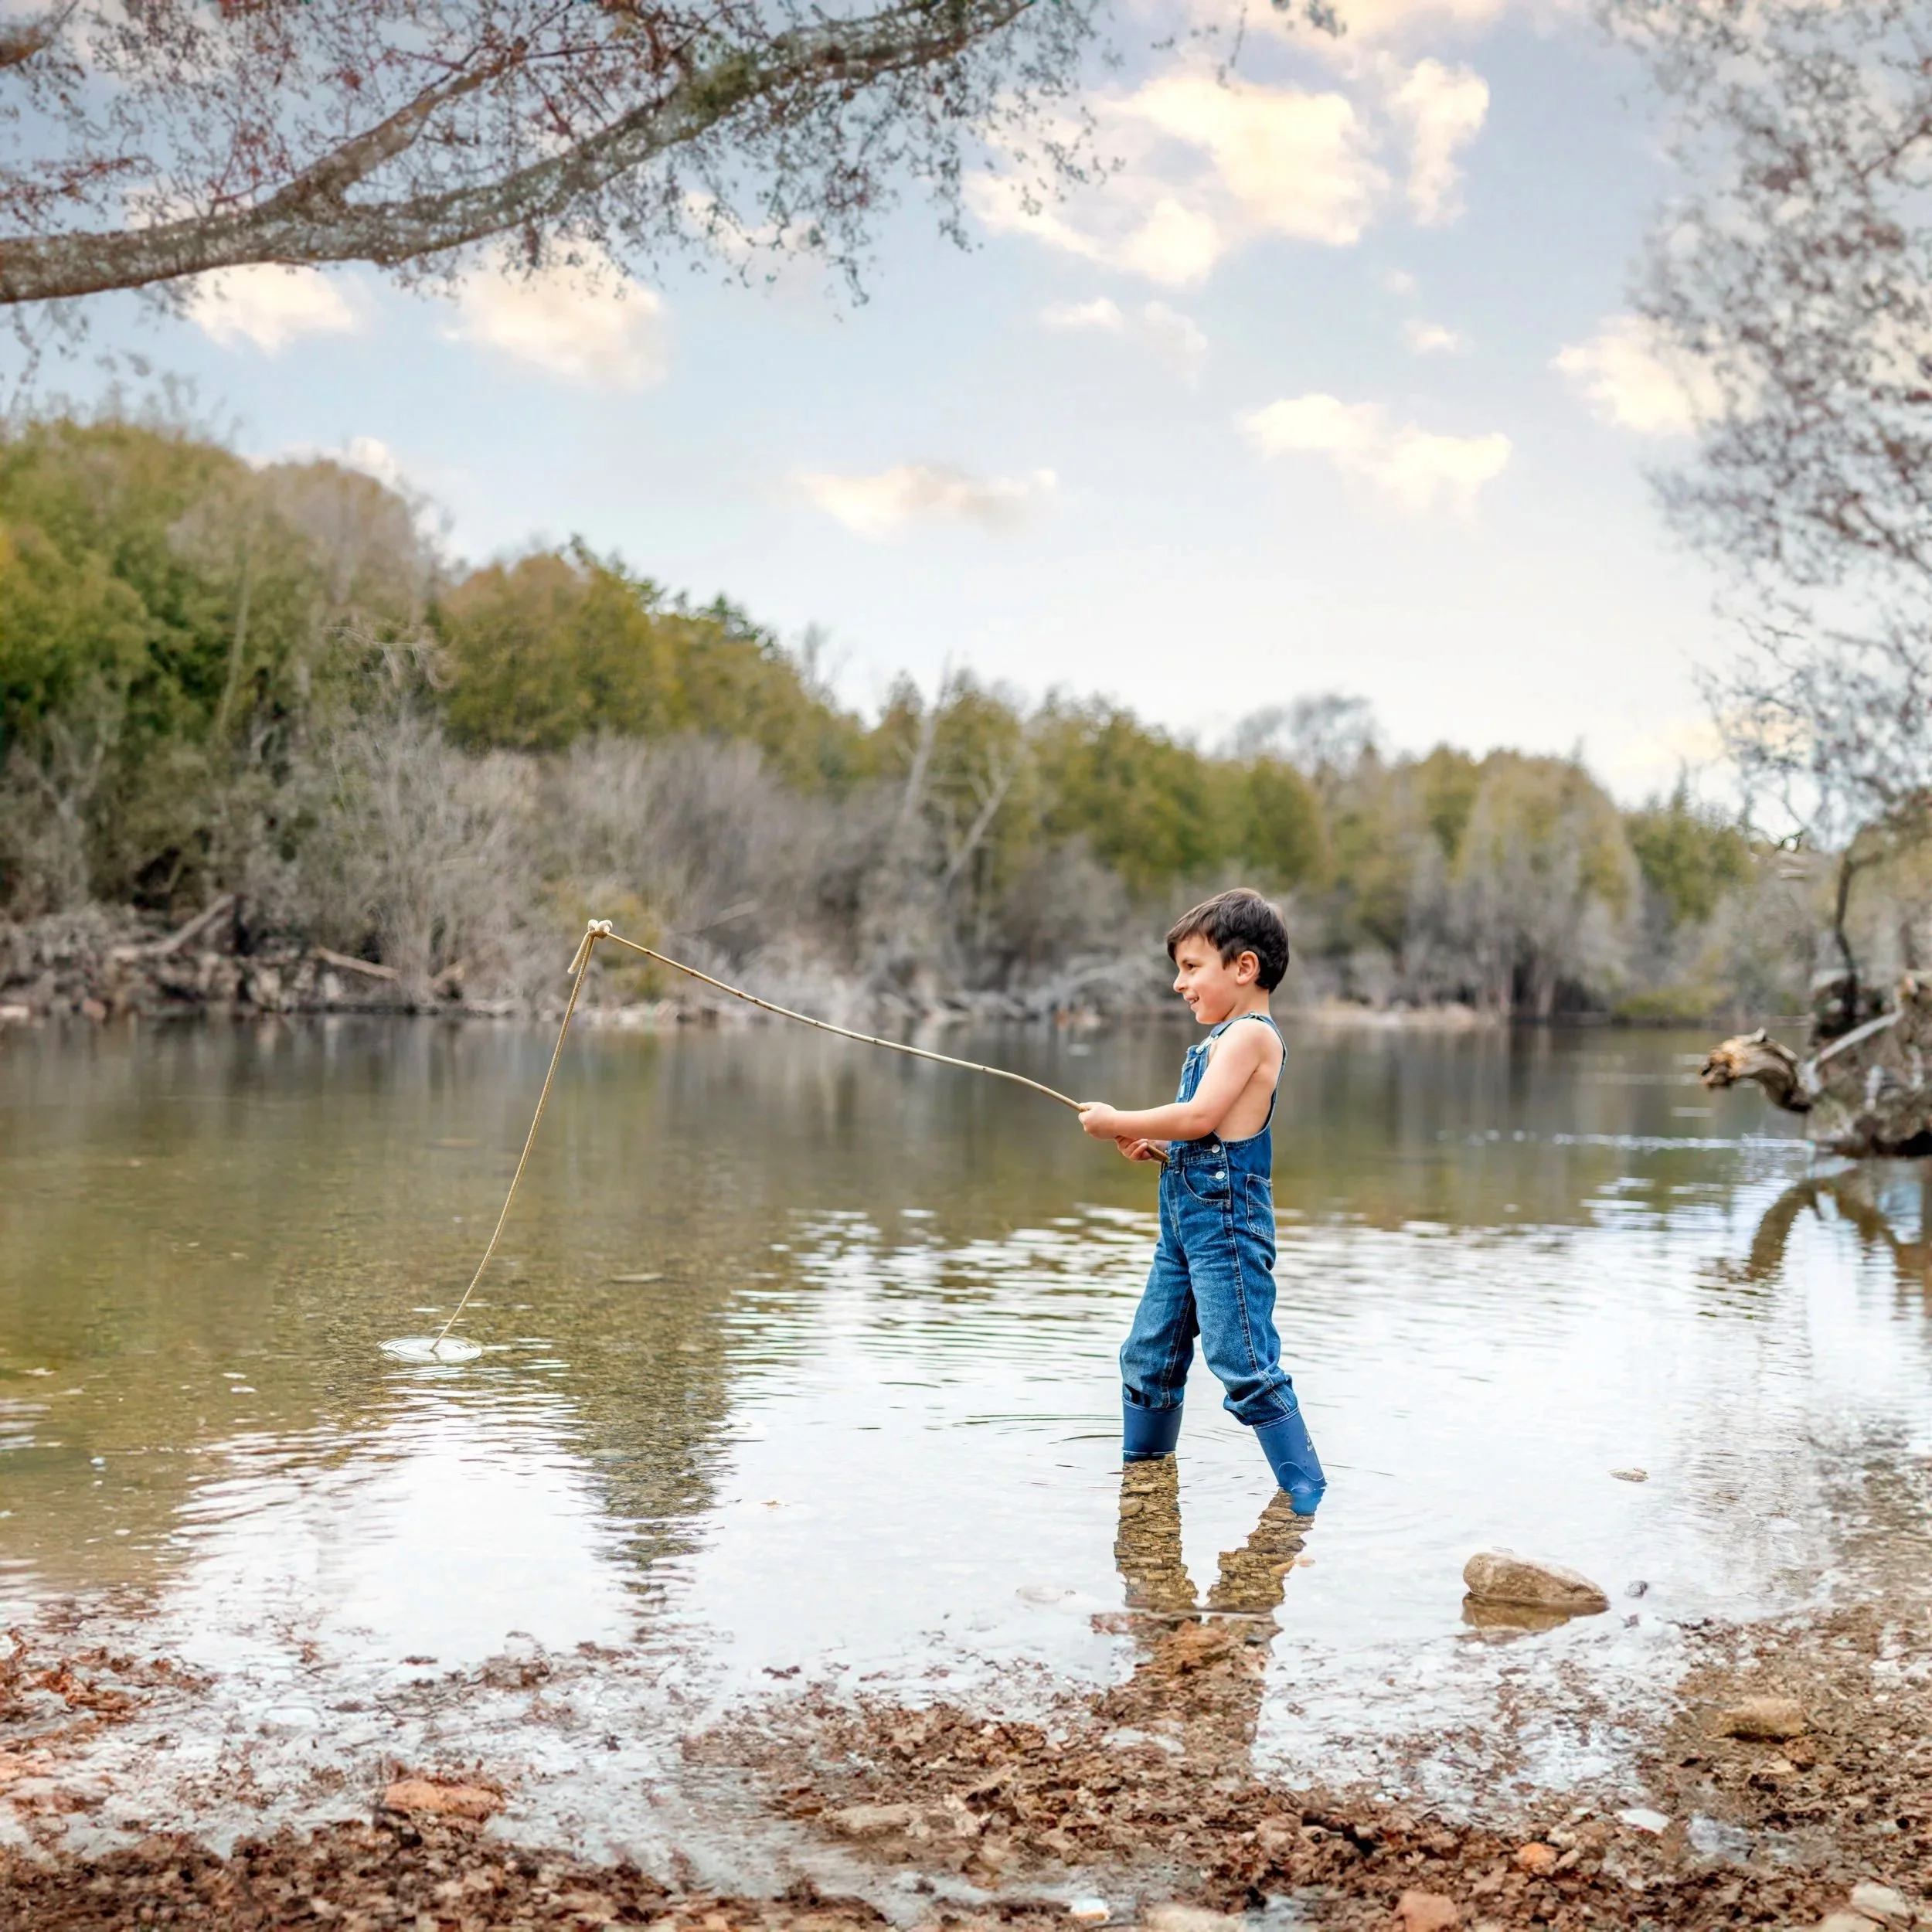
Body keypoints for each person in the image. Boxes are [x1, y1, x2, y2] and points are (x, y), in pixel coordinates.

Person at [1077, 888, 1325, 1515]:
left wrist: (1116, 1120)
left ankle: (1305, 1494)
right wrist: (1153, 1141)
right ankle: (1145, 1482)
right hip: (1183, 1233)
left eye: (1191, 967)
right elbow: (1201, 1129)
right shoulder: (1215, 1043)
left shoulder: (1249, 1036)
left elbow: (1200, 1115)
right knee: (1148, 1357)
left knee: (1242, 1362)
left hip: (1227, 1232)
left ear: (1244, 968)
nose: (1177, 983)